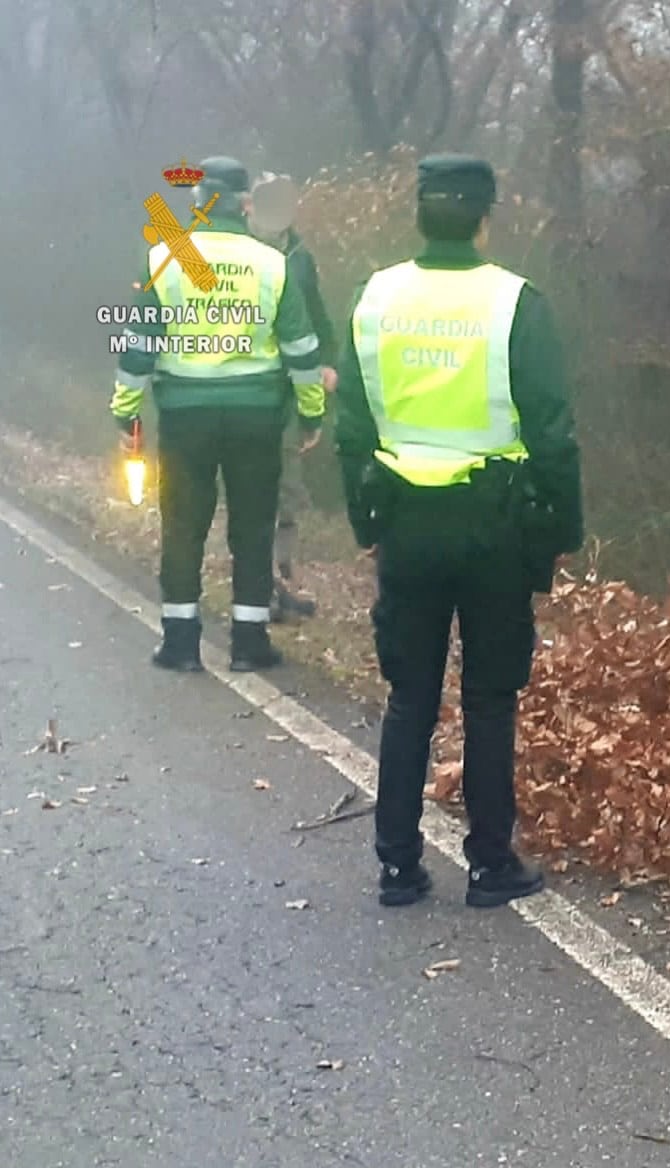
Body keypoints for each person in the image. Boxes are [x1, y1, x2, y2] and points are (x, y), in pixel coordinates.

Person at [332, 153, 583, 909]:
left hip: (406, 521)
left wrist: (364, 519)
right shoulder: (516, 303)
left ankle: (398, 867)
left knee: (410, 694)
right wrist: (561, 530)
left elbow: (350, 427)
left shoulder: (374, 298)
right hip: (494, 526)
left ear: (419, 213)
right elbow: (553, 433)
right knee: (489, 698)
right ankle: (489, 862)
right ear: (484, 217)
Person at [112, 155, 327, 673]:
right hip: (257, 417)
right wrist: (311, 414)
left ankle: (181, 644)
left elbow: (138, 346)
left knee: (183, 527)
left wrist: (127, 416)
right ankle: (249, 644)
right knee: (253, 528)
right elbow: (301, 348)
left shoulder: (165, 257)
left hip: (186, 416)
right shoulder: (272, 263)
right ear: (246, 204)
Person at [248, 171, 337, 623]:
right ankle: (258, 587)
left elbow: (317, 316)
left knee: (288, 489)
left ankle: (280, 579)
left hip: (289, 393)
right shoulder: (237, 254)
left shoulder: (301, 258)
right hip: (243, 390)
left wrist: (329, 362)